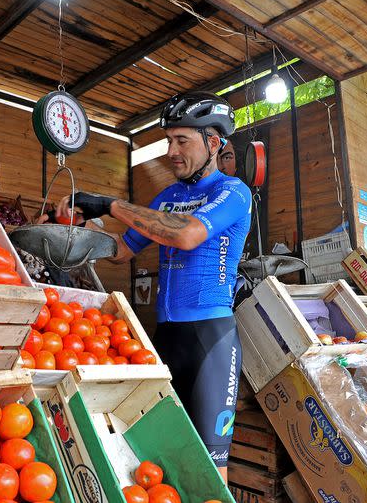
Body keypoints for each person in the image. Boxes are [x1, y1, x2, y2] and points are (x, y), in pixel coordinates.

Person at [55, 92, 252, 481]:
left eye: (183, 141)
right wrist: (78, 231)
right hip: (165, 338)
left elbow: (187, 235)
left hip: (210, 340)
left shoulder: (232, 191)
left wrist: (111, 204)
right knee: (159, 453)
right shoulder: (168, 197)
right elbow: (123, 250)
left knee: (212, 467)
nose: (171, 151)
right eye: (169, 141)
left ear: (214, 143)